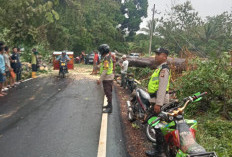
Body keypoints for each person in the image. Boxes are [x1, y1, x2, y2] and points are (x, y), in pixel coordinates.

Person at [145, 48, 171, 157]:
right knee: (156, 125)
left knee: (158, 127)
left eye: (158, 54)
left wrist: (158, 104)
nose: (155, 56)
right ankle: (159, 149)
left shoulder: (164, 70)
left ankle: (159, 152)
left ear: (164, 57)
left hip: (159, 102)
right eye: (156, 54)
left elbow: (162, 88)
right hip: (155, 100)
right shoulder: (159, 69)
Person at [97, 44, 114, 113]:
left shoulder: (107, 58)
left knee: (108, 92)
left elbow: (105, 70)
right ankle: (108, 105)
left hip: (107, 78)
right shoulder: (107, 57)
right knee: (107, 92)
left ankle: (110, 108)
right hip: (107, 78)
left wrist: (100, 80)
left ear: (103, 51)